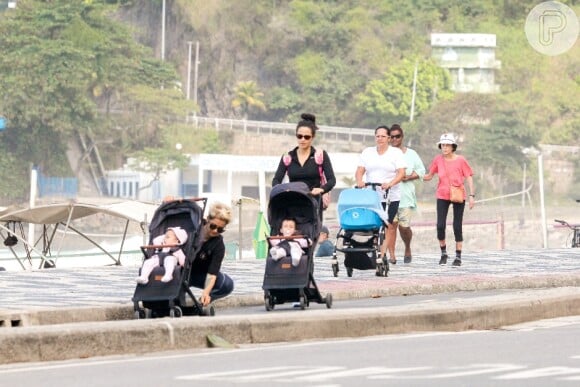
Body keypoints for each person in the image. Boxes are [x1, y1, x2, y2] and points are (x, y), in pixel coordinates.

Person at [355, 125, 406, 265]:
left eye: (383, 136)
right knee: (373, 225)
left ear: (389, 138)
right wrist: (360, 181)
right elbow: (360, 170)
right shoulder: (368, 152)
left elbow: (401, 173)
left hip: (390, 195)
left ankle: (382, 254)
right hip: (372, 195)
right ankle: (373, 249)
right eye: (378, 136)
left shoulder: (395, 153)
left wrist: (390, 183)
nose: (380, 139)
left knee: (387, 224)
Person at [272, 113, 336, 221]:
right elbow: (276, 179)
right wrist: (282, 190)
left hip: (313, 204)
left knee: (312, 234)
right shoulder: (288, 157)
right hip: (293, 203)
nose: (302, 139)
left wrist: (321, 189)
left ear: (313, 137)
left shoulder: (320, 155)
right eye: (299, 136)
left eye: (307, 137)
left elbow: (332, 180)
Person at [423, 133, 475, 267]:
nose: (445, 147)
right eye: (443, 145)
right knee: (440, 225)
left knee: (457, 226)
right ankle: (443, 253)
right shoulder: (438, 160)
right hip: (442, 195)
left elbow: (469, 177)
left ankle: (458, 256)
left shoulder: (461, 160)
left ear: (453, 147)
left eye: (447, 145)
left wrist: (471, 196)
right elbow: (430, 175)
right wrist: (415, 176)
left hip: (458, 194)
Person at [389, 124, 426, 264]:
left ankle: (407, 247)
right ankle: (392, 255)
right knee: (391, 226)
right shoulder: (386, 154)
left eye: (397, 136)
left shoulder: (411, 154)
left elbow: (421, 171)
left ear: (402, 137)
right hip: (389, 196)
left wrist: (408, 177)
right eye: (391, 137)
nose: (394, 139)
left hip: (405, 197)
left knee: (404, 227)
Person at [189, 202, 235, 306]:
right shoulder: (194, 227)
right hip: (183, 273)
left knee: (227, 284)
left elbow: (212, 273)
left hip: (201, 275)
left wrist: (206, 292)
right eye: (213, 226)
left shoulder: (218, 245)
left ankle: (202, 302)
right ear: (208, 220)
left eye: (220, 229)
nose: (215, 231)